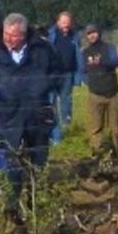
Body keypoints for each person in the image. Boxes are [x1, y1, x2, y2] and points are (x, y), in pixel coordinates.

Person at [0, 13, 62, 207]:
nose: (8, 39)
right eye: (6, 34)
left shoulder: (42, 50)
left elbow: (57, 72)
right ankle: (12, 206)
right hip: (8, 116)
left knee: (38, 162)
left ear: (24, 35)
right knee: (11, 163)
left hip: (37, 113)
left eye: (14, 35)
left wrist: (42, 85)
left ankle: (36, 203)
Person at [79, 23, 118, 155]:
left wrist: (101, 62)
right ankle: (96, 152)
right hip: (95, 94)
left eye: (94, 32)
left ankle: (116, 150)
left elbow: (116, 62)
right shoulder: (85, 53)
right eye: (89, 33)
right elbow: (82, 72)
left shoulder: (110, 48)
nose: (92, 35)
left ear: (99, 32)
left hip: (113, 92)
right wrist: (90, 84)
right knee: (96, 127)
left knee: (115, 127)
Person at [47, 10, 83, 143]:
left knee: (66, 103)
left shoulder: (75, 37)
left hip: (68, 74)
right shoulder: (50, 35)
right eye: (63, 23)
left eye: (68, 23)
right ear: (58, 23)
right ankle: (54, 134)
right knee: (50, 104)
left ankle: (66, 130)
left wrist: (79, 76)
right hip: (52, 75)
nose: (65, 26)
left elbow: (79, 57)